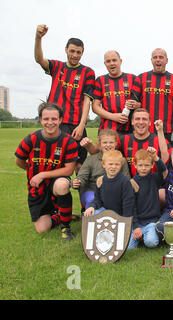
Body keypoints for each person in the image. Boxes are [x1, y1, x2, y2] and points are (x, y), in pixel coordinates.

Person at [34, 24, 95, 170]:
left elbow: (87, 101)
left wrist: (81, 125)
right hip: (57, 124)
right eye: (72, 51)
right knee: (55, 165)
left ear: (82, 53)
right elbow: (39, 59)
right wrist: (38, 38)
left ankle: (83, 193)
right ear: (66, 49)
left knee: (80, 167)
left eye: (78, 52)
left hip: (76, 125)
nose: (75, 55)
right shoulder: (56, 66)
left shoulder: (88, 72)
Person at [15, 102, 78, 240]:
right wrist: (32, 172)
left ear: (60, 120)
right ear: (41, 120)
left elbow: (69, 170)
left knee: (62, 184)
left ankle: (66, 227)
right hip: (37, 188)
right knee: (42, 229)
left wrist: (42, 174)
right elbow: (19, 161)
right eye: (46, 119)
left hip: (56, 182)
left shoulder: (69, 141)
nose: (50, 122)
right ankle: (63, 214)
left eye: (54, 119)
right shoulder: (31, 139)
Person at [83, 108, 170, 177]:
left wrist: (160, 131)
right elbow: (102, 153)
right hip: (128, 185)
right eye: (137, 119)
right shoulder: (124, 139)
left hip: (152, 184)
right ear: (132, 122)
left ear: (150, 122)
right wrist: (88, 146)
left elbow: (166, 159)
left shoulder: (159, 139)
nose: (140, 122)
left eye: (144, 119)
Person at [132, 48, 173, 140]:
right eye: (155, 57)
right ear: (151, 60)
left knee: (168, 155)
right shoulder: (141, 78)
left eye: (161, 57)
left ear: (166, 60)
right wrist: (137, 105)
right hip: (146, 131)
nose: (158, 60)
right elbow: (132, 104)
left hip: (169, 132)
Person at [72, 129, 130, 213]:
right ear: (99, 144)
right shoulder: (91, 160)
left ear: (116, 144)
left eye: (111, 142)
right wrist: (77, 182)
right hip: (92, 191)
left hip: (114, 192)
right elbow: (82, 176)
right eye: (105, 143)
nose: (108, 145)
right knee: (92, 199)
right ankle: (92, 218)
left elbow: (126, 179)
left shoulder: (122, 160)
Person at [91, 50, 141, 135]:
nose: (111, 63)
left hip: (130, 131)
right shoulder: (100, 80)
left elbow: (142, 103)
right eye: (108, 61)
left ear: (120, 61)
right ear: (105, 63)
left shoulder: (133, 78)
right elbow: (95, 107)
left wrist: (137, 105)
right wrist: (113, 117)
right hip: (107, 131)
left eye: (114, 60)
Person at [128, 148, 168, 249]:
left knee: (151, 243)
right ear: (135, 165)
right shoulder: (132, 183)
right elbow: (131, 207)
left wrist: (155, 158)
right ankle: (140, 235)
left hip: (152, 222)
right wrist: (136, 226)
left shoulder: (154, 179)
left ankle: (146, 235)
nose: (143, 168)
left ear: (152, 165)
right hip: (138, 223)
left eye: (146, 165)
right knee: (128, 248)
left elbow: (164, 172)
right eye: (140, 165)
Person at [84, 150, 135, 218]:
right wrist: (92, 206)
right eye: (110, 164)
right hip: (105, 211)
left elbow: (128, 203)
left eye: (117, 164)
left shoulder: (125, 181)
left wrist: (125, 220)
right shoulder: (100, 180)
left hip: (120, 214)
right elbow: (97, 199)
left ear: (121, 165)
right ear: (103, 164)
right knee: (90, 213)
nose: (113, 167)